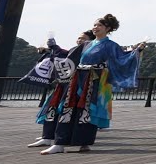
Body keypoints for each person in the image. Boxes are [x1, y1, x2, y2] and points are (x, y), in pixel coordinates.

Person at [39, 14, 142, 155]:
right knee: (68, 107)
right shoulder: (87, 44)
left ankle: (84, 142)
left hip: (94, 80)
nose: (95, 27)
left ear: (108, 28)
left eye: (99, 25)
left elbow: (122, 59)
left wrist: (137, 51)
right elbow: (69, 56)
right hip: (78, 78)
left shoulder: (111, 45)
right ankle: (59, 143)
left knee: (87, 111)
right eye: (94, 25)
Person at [27, 30, 92, 148]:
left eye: (83, 38)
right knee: (52, 109)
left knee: (71, 113)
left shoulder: (90, 51)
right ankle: (47, 137)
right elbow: (62, 55)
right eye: (79, 37)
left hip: (78, 86)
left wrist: (54, 47)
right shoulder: (74, 49)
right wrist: (50, 49)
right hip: (64, 84)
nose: (79, 40)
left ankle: (72, 141)